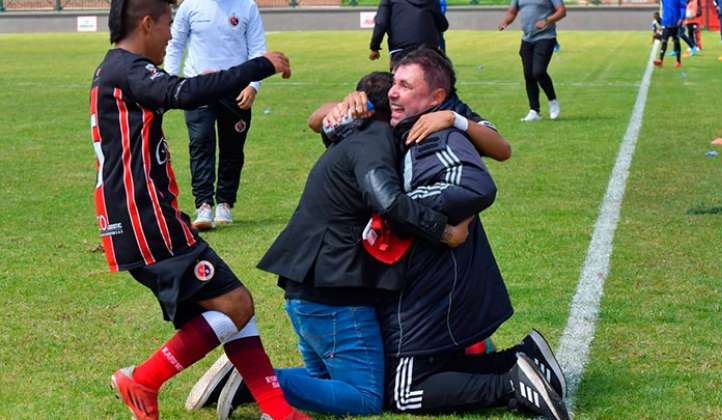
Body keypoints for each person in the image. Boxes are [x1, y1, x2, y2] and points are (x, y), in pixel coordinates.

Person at [201, 48, 568, 420]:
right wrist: (443, 232)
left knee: (364, 384)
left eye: (405, 85)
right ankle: (253, 379)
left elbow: (497, 153)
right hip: (332, 283)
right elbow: (325, 130)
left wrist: (454, 119)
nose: (395, 91)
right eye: (393, 83)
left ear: (436, 96)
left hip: (326, 282)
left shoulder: (436, 122)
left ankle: (254, 380)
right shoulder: (376, 134)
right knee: (369, 391)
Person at [90, 1, 305, 419]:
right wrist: (258, 65)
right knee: (236, 304)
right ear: (147, 23)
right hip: (145, 216)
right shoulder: (127, 69)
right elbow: (183, 93)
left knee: (231, 304)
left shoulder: (113, 69)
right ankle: (145, 378)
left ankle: (280, 412)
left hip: (139, 216)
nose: (171, 34)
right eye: (168, 25)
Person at [164, 0, 267, 230]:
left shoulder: (247, 6)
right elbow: (175, 45)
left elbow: (258, 49)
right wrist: (169, 83)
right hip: (198, 87)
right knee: (200, 144)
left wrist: (253, 85)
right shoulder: (190, 6)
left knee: (232, 148)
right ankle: (203, 205)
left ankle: (225, 203)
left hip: (236, 88)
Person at [499, 0, 566, 122]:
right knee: (528, 75)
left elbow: (562, 11)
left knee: (539, 72)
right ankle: (534, 111)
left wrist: (547, 21)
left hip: (546, 37)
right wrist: (506, 22)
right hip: (527, 39)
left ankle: (553, 102)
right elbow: (512, 12)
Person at [369, 0, 449, 66]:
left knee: (400, 82)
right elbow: (443, 25)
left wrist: (374, 48)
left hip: (400, 51)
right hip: (428, 51)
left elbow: (381, 23)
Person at [653, 0, 687, 68]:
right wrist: (660, 21)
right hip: (666, 21)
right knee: (664, 41)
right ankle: (660, 60)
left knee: (676, 41)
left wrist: (681, 18)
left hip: (676, 22)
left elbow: (683, 7)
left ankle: (678, 61)